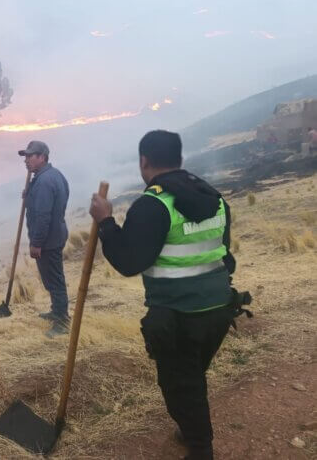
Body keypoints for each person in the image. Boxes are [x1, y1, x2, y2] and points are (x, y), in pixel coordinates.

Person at [89, 130, 246, 460]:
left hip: (178, 318)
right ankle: (190, 427)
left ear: (144, 161)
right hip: (219, 309)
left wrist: (106, 223)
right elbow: (223, 252)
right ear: (180, 159)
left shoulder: (153, 205)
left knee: (178, 385)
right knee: (190, 376)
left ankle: (200, 447)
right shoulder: (214, 197)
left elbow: (130, 262)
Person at [18, 140, 70, 337]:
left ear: (42, 157)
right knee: (53, 279)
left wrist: (37, 243)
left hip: (48, 240)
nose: (26, 160)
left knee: (54, 281)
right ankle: (57, 312)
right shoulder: (52, 176)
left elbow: (43, 215)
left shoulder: (44, 181)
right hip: (56, 234)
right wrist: (30, 195)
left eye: (30, 156)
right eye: (25, 156)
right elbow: (57, 201)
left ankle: (62, 322)